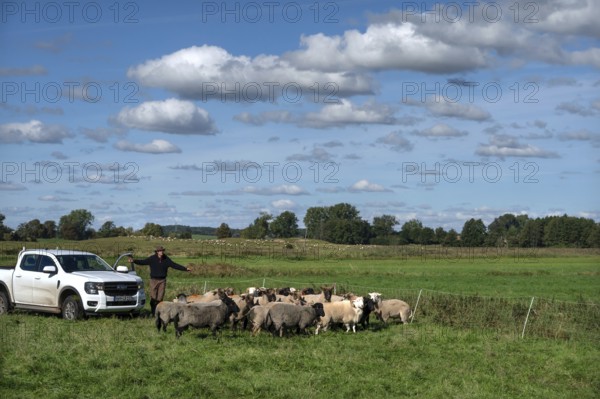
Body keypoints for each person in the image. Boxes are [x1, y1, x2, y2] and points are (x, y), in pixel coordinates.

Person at [129, 245, 191, 316]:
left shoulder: (166, 259)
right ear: (157, 252)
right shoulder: (152, 258)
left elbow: (174, 265)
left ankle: (158, 313)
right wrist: (134, 261)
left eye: (162, 251)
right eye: (160, 251)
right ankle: (153, 312)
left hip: (162, 281)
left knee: (160, 298)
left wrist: (185, 269)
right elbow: (143, 262)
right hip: (153, 280)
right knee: (153, 298)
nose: (161, 252)